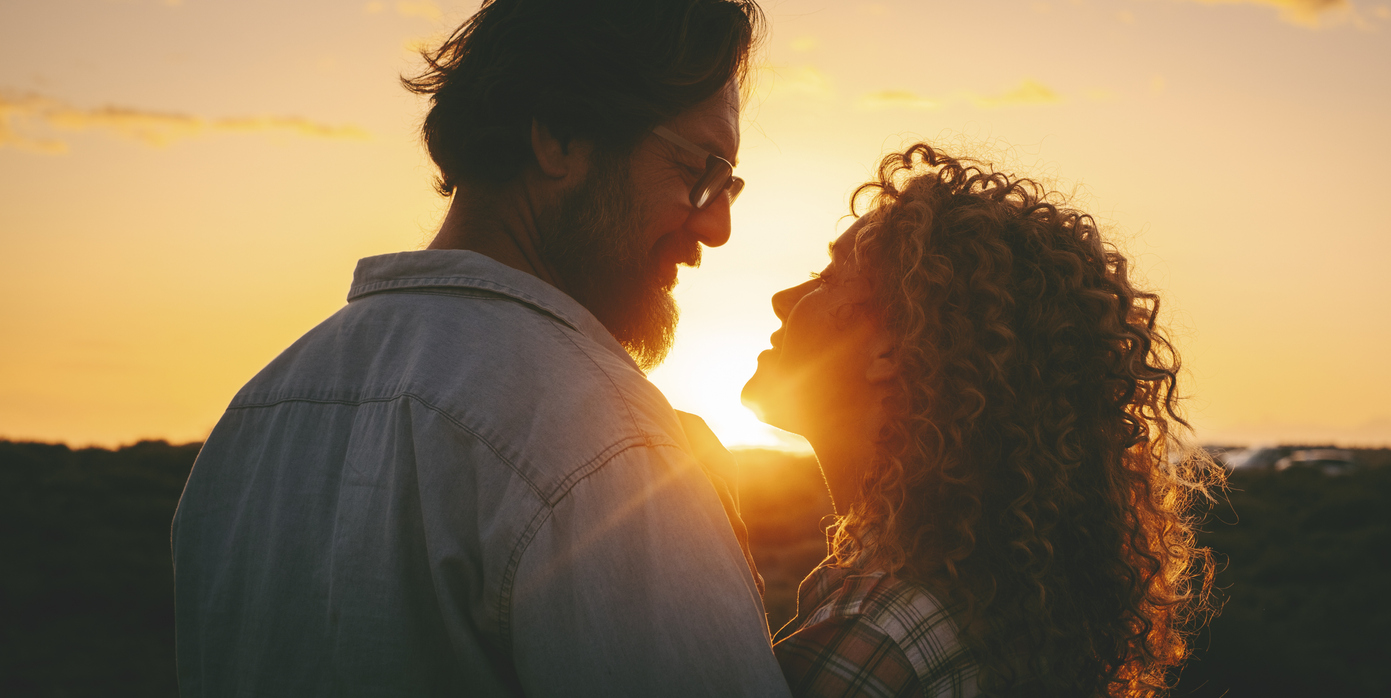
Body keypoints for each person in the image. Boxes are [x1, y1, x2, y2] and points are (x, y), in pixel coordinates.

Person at [172, 1, 792, 696]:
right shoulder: (608, 443)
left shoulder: (255, 417)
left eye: (727, 183)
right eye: (701, 173)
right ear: (559, 136)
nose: (717, 228)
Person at [742, 144, 1222, 697]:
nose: (783, 299)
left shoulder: (871, 642)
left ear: (891, 352)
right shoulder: (987, 599)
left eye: (826, 279)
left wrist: (705, 542)